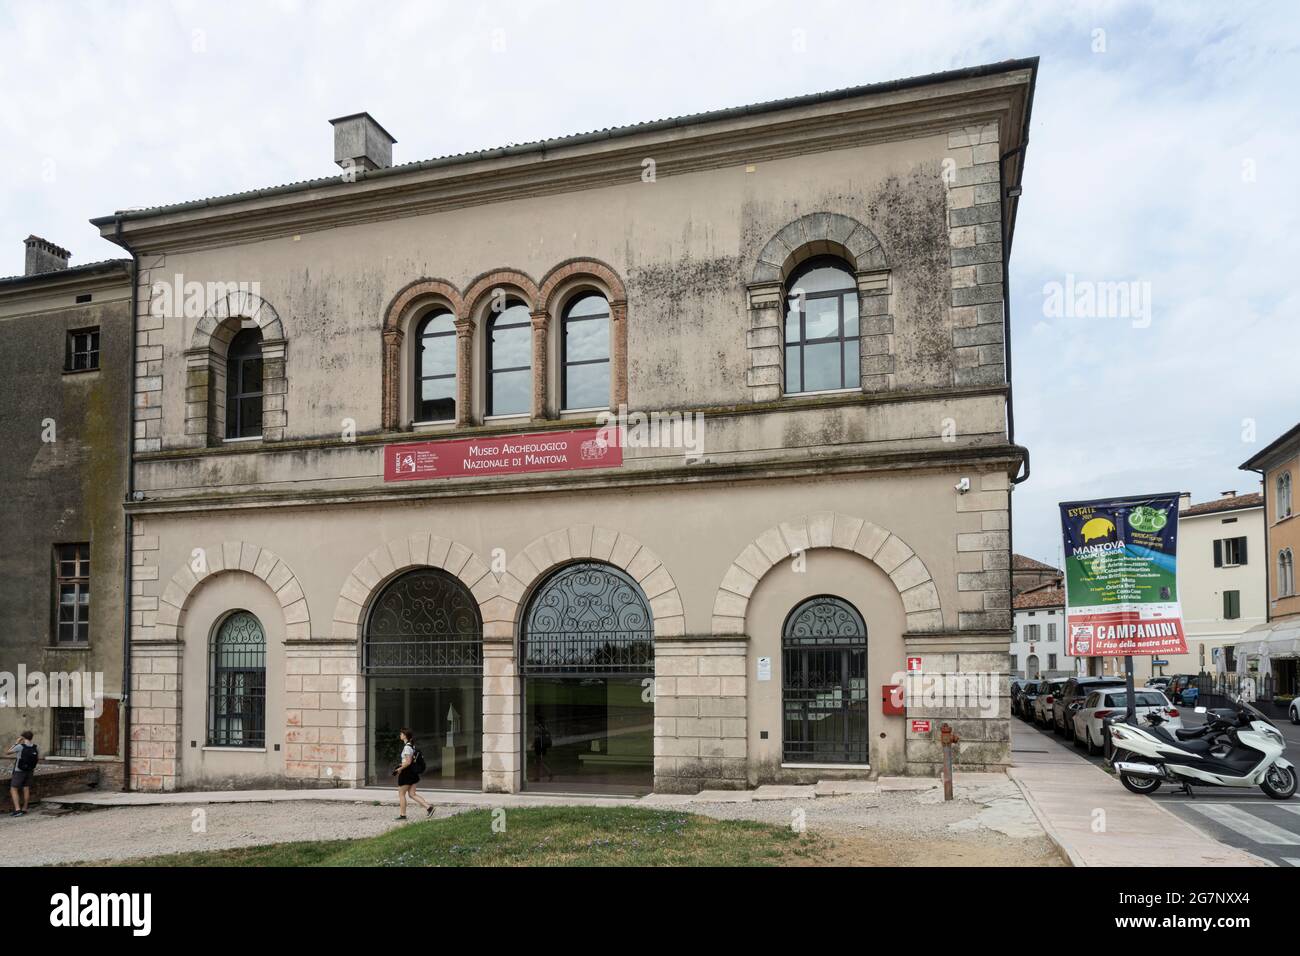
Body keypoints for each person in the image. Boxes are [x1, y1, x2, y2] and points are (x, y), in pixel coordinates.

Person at [392, 728, 432, 821]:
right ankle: (429, 808)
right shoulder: (412, 746)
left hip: (407, 773)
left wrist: (399, 769)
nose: (400, 735)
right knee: (412, 794)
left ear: (405, 735)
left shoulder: (407, 747)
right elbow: (409, 761)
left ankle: (403, 815)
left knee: (401, 794)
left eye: (401, 734)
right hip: (412, 773)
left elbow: (408, 762)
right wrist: (401, 765)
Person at [7, 731, 38, 817]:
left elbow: (8, 752)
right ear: (31, 737)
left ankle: (17, 810)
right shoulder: (35, 747)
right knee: (26, 788)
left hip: (19, 771)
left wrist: (16, 743)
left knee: (13, 788)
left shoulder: (20, 746)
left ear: (23, 738)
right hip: (30, 770)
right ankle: (24, 808)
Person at [532, 712, 554, 783]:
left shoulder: (537, 727)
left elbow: (536, 737)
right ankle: (537, 777)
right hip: (543, 746)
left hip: (539, 746)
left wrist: (533, 744)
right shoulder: (544, 726)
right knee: (538, 762)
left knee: (539, 762)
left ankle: (548, 774)